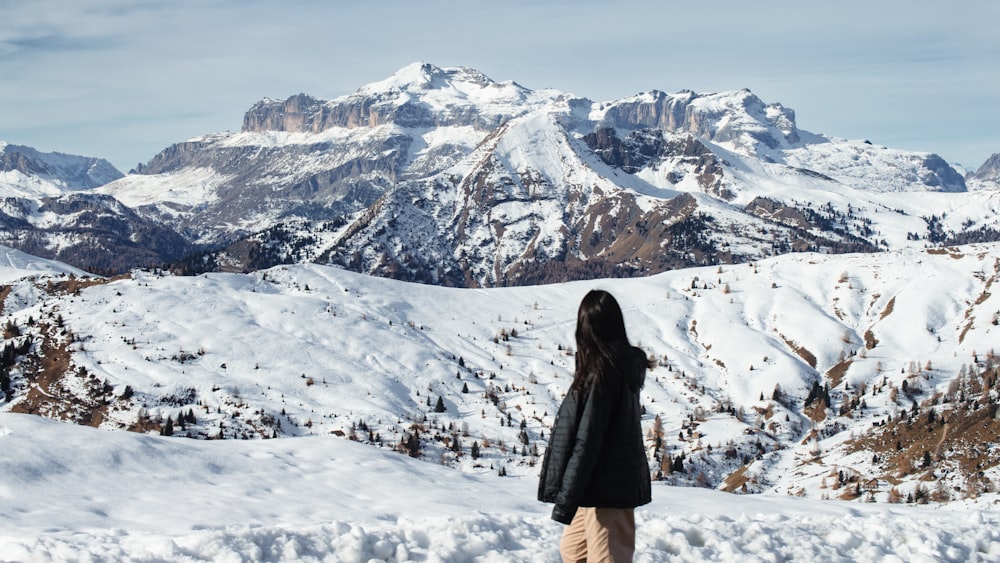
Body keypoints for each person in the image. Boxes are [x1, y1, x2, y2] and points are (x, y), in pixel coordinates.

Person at [538, 289, 652, 562]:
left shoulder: (606, 374)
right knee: (573, 551)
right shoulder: (603, 368)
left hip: (608, 490)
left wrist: (566, 500)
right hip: (595, 487)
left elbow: (587, 440)